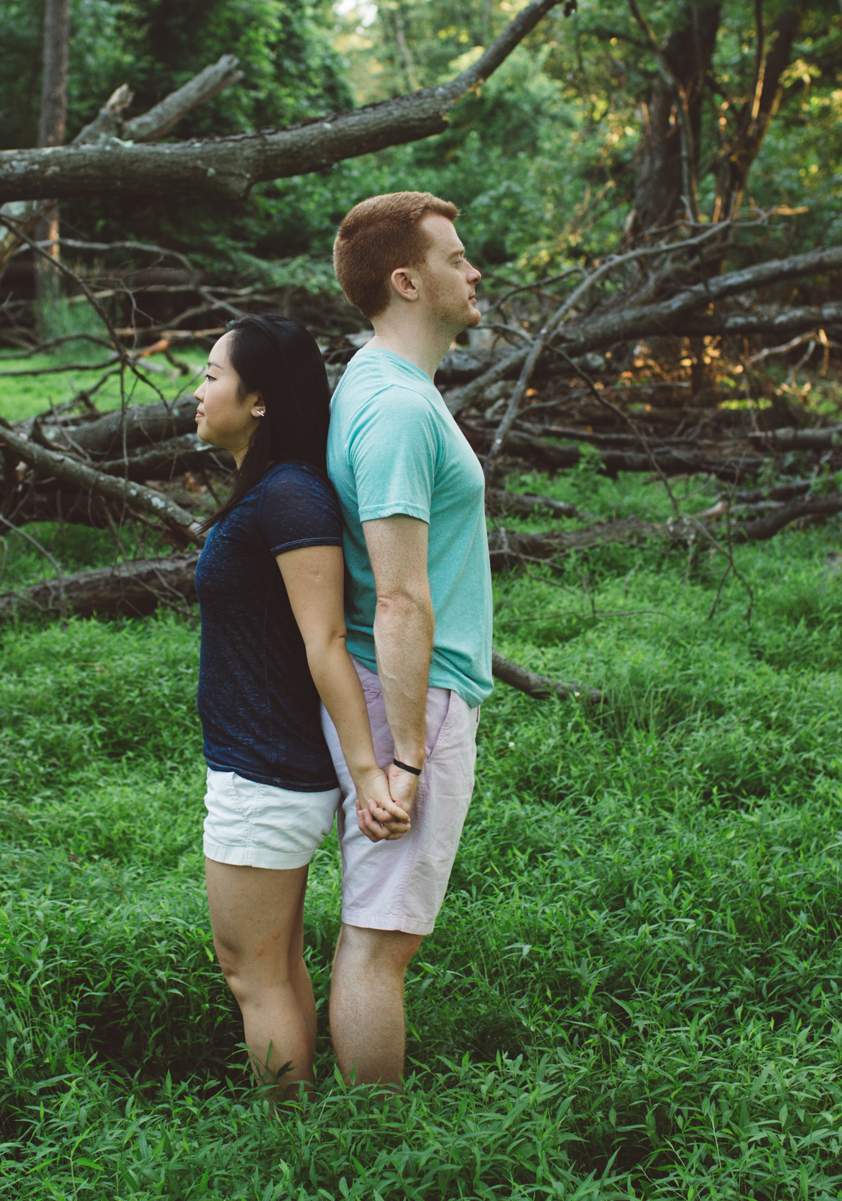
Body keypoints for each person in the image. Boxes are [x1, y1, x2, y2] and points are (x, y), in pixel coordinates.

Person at [191, 314, 411, 1100]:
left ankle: (288, 1138)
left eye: (213, 372)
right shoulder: (277, 490)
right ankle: (307, 1125)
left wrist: (369, 767)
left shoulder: (289, 496)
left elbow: (324, 641)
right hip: (261, 764)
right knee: (272, 963)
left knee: (251, 970)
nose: (199, 386)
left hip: (268, 771)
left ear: (258, 399)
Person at [322, 191, 492, 1086]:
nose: (474, 272)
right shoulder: (395, 408)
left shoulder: (386, 384)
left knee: (379, 933)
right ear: (407, 280)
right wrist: (411, 755)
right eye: (456, 258)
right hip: (406, 697)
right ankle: (374, 1151)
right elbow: (398, 596)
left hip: (406, 691)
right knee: (379, 942)